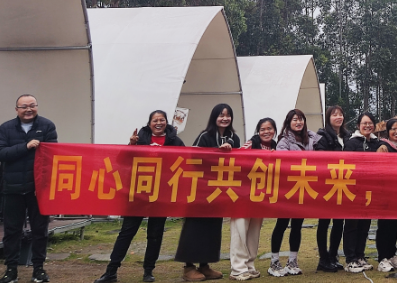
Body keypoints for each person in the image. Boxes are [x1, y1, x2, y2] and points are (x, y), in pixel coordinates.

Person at [94, 110, 184, 283]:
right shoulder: (140, 137)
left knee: (155, 234)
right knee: (127, 232)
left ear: (166, 122)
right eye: (155, 120)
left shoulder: (175, 141)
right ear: (149, 123)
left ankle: (148, 271)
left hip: (161, 194)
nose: (159, 123)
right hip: (138, 192)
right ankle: (111, 271)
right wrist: (131, 144)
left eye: (162, 120)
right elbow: (121, 160)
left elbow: (184, 162)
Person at [175, 103, 240, 282]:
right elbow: (193, 159)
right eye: (221, 115)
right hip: (200, 190)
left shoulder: (234, 138)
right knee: (195, 228)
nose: (225, 118)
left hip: (219, 190)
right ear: (214, 117)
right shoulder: (205, 136)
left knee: (213, 228)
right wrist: (217, 153)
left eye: (228, 115)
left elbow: (239, 161)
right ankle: (188, 267)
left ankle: (205, 265)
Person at [0, 94, 57, 283]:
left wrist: (44, 185)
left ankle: (38, 269)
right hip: (12, 188)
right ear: (16, 109)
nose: (28, 109)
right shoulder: (6, 128)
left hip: (37, 190)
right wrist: (26, 147)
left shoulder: (47, 126)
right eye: (24, 106)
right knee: (12, 231)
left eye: (32, 105)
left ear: (37, 107)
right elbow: (2, 153)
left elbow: (52, 155)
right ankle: (11, 270)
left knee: (40, 230)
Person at [268, 109, 321, 277]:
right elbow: (284, 161)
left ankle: (292, 261)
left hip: (303, 187)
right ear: (289, 122)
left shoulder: (312, 139)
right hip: (287, 189)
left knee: (297, 225)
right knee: (282, 224)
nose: (298, 122)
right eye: (295, 120)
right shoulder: (283, 141)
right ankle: (274, 262)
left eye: (301, 119)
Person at [229, 118, 277, 281]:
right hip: (242, 195)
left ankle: (249, 265)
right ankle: (238, 268)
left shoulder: (275, 147)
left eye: (269, 128)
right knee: (240, 231)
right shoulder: (250, 144)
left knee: (254, 232)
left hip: (259, 196)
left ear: (274, 131)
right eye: (262, 129)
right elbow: (237, 160)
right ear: (258, 131)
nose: (266, 132)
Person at [343, 113, 381, 273]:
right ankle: (350, 259)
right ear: (358, 125)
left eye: (370, 123)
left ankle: (360, 255)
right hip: (354, 190)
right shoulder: (351, 143)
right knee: (352, 225)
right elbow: (346, 164)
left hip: (369, 191)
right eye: (364, 123)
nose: (367, 126)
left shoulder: (377, 143)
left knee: (365, 225)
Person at [314, 106, 348, 273]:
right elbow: (321, 159)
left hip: (343, 184)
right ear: (328, 118)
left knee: (339, 222)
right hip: (327, 185)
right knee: (324, 221)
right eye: (335, 115)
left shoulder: (347, 136)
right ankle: (323, 258)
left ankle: (333, 256)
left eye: (340, 114)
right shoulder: (322, 136)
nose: (338, 117)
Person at [375, 119, 397, 272]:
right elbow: (378, 169)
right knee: (384, 226)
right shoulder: (383, 146)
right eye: (393, 129)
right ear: (388, 131)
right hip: (385, 192)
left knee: (395, 225)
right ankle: (382, 258)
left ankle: (392, 254)